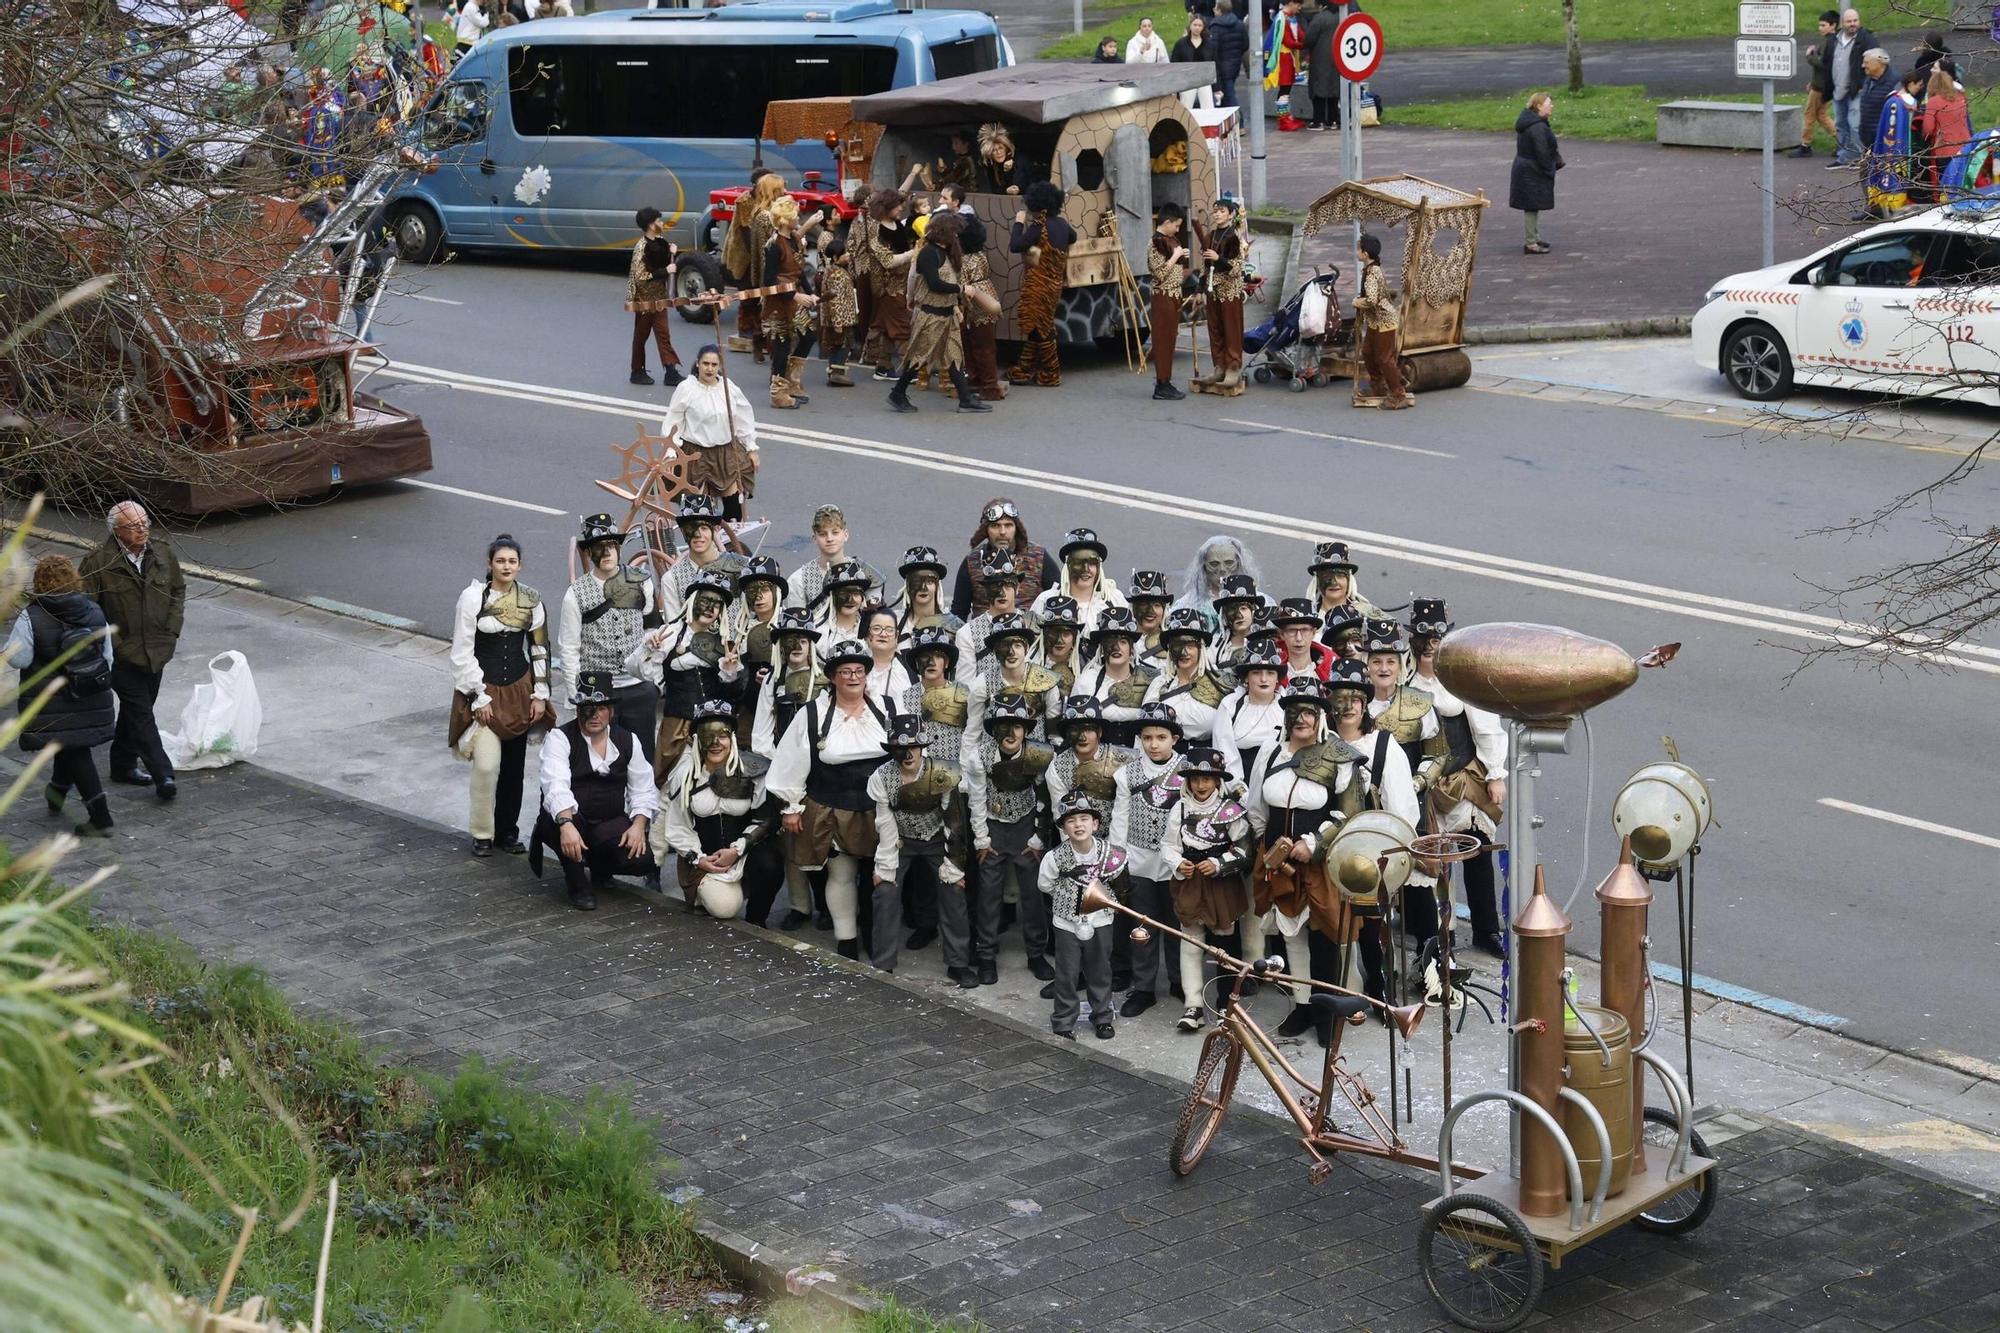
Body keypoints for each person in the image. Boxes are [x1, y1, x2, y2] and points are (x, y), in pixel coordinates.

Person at [1245, 676, 1364, 1046]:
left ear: (1320, 716)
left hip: (1319, 861)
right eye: (1294, 711)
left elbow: (1350, 813)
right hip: (1278, 859)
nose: (1301, 720)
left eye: (1308, 712)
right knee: (1291, 932)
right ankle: (1301, 1005)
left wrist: (1314, 844)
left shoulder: (1341, 756)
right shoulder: (1270, 752)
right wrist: (1266, 849)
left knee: (1325, 933)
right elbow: (1256, 804)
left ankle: (1326, 1010)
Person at [768, 638, 889, 959]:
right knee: (842, 874)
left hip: (880, 809)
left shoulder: (887, 708)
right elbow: (791, 760)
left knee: (880, 876)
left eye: (859, 671)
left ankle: (877, 937)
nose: (853, 677)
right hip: (832, 805)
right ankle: (847, 939)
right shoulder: (813, 714)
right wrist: (791, 806)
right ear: (833, 677)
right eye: (845, 671)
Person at [1404, 598, 1507, 958]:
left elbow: (1487, 729)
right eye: (1424, 643)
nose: (1430, 649)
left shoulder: (1461, 683)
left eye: (1436, 642)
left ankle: (1486, 929)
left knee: (1476, 852)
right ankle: (1436, 936)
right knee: (1431, 861)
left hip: (1463, 779)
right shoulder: (1407, 686)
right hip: (1422, 788)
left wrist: (1495, 775)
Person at [448, 534, 550, 857]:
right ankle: (482, 833)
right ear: (490, 563)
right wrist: (477, 696)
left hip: (520, 690)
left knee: (514, 770)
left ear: (520, 565)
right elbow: (461, 651)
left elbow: (539, 649)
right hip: (485, 691)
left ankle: (508, 832)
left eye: (512, 561)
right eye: (500, 560)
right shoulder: (472, 598)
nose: (506, 566)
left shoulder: (531, 600)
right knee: (487, 764)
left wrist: (540, 695)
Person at [79, 501, 185, 800]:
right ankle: (163, 774)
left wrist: (171, 631)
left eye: (145, 523)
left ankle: (123, 765)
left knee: (138, 709)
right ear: (116, 531)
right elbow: (87, 610)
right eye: (134, 526)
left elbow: (177, 591)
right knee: (141, 712)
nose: (142, 530)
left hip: (158, 650)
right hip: (120, 655)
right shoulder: (97, 562)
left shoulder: (163, 553)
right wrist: (114, 645)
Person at [530, 671, 659, 911]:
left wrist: (639, 825)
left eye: (601, 708)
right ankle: (577, 883)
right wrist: (566, 825)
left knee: (641, 859)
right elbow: (555, 784)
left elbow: (643, 789)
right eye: (588, 708)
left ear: (611, 710)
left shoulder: (628, 740)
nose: (595, 715)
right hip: (566, 819)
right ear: (578, 710)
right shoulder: (560, 738)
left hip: (605, 821)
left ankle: (601, 868)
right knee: (567, 829)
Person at [7, 554, 116, 837]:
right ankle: (56, 791)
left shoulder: (31, 615)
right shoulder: (93, 610)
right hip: (89, 694)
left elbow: (19, 659)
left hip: (51, 699)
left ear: (39, 581)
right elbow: (107, 657)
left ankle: (101, 818)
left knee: (75, 750)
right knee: (69, 744)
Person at [657, 699, 781, 923]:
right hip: (705, 860)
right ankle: (709, 892)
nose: (715, 743)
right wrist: (699, 859)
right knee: (725, 908)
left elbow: (765, 819)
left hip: (742, 853)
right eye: (707, 735)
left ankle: (756, 920)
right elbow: (677, 826)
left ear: (732, 737)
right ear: (695, 741)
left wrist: (737, 850)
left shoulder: (753, 771)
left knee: (770, 865)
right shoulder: (685, 776)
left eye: (722, 735)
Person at [1162, 746, 1255, 1033]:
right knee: (1191, 941)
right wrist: (1178, 863)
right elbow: (1167, 845)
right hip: (1190, 882)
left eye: (1207, 779)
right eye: (1195, 779)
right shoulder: (1179, 809)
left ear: (1218, 781)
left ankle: (1229, 1003)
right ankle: (1193, 1005)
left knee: (1225, 944)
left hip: (1221, 885)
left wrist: (1218, 863)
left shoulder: (1230, 811)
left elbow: (1245, 850)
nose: (1201, 785)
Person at [556, 514, 662, 762]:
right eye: (599, 548)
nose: (606, 553)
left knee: (642, 760)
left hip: (638, 688)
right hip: (597, 692)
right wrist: (577, 699)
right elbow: (569, 649)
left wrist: (653, 679)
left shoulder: (641, 581)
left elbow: (653, 628)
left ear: (619, 548)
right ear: (589, 552)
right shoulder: (576, 594)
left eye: (611, 546)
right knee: (600, 762)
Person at [869, 713, 968, 977]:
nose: (908, 753)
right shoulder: (881, 778)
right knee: (885, 891)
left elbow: (954, 821)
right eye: (901, 748)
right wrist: (886, 867)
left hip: (937, 837)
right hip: (901, 841)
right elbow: (885, 823)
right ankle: (883, 964)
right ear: (892, 750)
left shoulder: (943, 773)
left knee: (954, 890)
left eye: (913, 746)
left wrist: (954, 865)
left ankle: (958, 962)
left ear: (922, 747)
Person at [963, 693, 1052, 985]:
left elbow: (1045, 797)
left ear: (1026, 730)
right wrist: (982, 837)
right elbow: (976, 797)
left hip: (1027, 825)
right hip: (993, 825)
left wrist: (1039, 836)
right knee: (988, 894)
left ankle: (1036, 953)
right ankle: (986, 955)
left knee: (1033, 893)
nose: (1010, 733)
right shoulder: (980, 757)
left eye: (1016, 726)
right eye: (1003, 726)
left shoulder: (1038, 755)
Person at [1108, 701, 1188, 1015]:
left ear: (1174, 739)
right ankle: (1143, 988)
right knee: (1142, 926)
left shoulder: (1188, 770)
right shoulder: (1127, 774)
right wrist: (1117, 862)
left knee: (1177, 924)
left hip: (1175, 861)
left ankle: (1181, 981)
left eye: (1160, 737)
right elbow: (1120, 819)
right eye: (1147, 737)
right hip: (1139, 859)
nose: (1153, 744)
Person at [749, 608, 826, 928]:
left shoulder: (825, 680)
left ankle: (827, 905)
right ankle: (799, 906)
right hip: (783, 771)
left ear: (811, 644)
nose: (796, 646)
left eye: (803, 640)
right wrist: (783, 762)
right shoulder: (771, 684)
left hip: (821, 770)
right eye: (789, 640)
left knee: (822, 837)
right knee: (790, 840)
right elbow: (759, 734)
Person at [629, 569, 744, 780]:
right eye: (705, 600)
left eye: (717, 604)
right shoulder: (670, 633)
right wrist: (649, 649)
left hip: (714, 726)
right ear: (693, 600)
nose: (711, 608)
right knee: (671, 781)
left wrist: (729, 672)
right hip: (677, 725)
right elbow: (635, 669)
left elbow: (734, 694)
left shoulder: (724, 642)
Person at [1040, 787, 1126, 1040]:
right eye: (1071, 820)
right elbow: (1045, 884)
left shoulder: (1111, 854)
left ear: (1095, 823)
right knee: (1066, 973)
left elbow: (1121, 886)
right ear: (1064, 828)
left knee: (1100, 970)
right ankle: (1063, 1020)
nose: (1078, 825)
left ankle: (1102, 1017)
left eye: (1084, 819)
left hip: (1101, 922)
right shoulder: (1055, 857)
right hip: (1067, 924)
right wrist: (1067, 897)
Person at [889, 212, 992, 414]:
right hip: (930, 316)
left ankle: (965, 399)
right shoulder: (929, 253)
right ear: (945, 233)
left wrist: (954, 306)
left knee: (954, 358)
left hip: (946, 315)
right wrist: (961, 291)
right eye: (955, 233)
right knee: (919, 356)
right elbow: (934, 284)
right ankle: (898, 393)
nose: (957, 237)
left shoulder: (944, 253)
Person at [662, 347, 758, 520]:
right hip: (695, 456)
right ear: (697, 364)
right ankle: (704, 541)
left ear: (719, 366)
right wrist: (670, 453)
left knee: (735, 509)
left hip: (725, 454)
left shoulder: (729, 388)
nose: (709, 368)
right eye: (705, 363)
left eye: (714, 364)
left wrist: (751, 448)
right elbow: (673, 422)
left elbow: (744, 418)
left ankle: (725, 543)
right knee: (698, 513)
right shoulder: (686, 388)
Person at [1008, 182, 1075, 387]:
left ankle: (1051, 372)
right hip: (1054, 285)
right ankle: (1024, 368)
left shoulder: (1039, 227)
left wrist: (1019, 223)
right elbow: (1073, 237)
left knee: (1039, 328)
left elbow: (1015, 245)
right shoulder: (1063, 225)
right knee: (1037, 325)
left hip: (1037, 285)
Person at [951, 498, 1059, 619]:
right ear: (985, 530)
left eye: (1008, 525)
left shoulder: (1038, 556)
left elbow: (1059, 599)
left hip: (1029, 632)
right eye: (995, 526)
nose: (1002, 532)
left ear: (1016, 528)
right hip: (983, 634)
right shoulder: (972, 561)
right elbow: (958, 613)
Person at [760, 196, 819, 410]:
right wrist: (795, 295)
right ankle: (778, 394)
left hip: (793, 299)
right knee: (782, 346)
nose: (798, 219)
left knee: (808, 336)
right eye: (795, 216)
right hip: (778, 303)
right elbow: (769, 281)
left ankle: (792, 383)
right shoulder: (773, 245)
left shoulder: (793, 238)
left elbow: (798, 271)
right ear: (784, 220)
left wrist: (811, 293)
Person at [1143, 608, 1227, 745]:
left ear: (1201, 647)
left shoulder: (1221, 684)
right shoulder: (1159, 685)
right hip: (1165, 760)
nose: (1184, 652)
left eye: (1190, 645)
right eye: (1178, 646)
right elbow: (1144, 731)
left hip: (1206, 759)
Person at [725, 169, 784, 360]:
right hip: (744, 251)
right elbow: (746, 231)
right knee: (748, 293)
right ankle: (746, 327)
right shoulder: (745, 202)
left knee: (762, 299)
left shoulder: (771, 204)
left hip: (761, 253)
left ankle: (762, 337)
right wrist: (762, 257)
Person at [1211, 637, 1285, 785]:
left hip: (1279, 783)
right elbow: (1224, 753)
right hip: (1242, 782)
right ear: (1246, 678)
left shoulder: (1287, 706)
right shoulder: (1230, 705)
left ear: (1277, 678)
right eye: (1256, 672)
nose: (1264, 679)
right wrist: (1240, 792)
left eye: (1270, 672)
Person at [625, 206, 684, 388]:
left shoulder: (660, 242)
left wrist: (672, 253)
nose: (662, 223)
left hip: (659, 298)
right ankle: (637, 370)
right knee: (641, 336)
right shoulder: (641, 247)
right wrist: (665, 271)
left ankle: (671, 370)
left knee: (663, 334)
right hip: (644, 300)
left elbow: (664, 260)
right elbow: (640, 276)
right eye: (659, 221)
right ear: (651, 225)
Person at [786, 504, 884, 610]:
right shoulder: (798, 580)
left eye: (835, 532)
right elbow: (795, 621)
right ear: (814, 538)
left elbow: (876, 618)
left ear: (845, 535)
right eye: (823, 534)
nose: (829, 538)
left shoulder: (865, 573)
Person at [862, 190, 916, 381]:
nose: (902, 207)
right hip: (888, 287)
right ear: (887, 207)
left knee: (886, 327)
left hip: (901, 283)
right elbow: (887, 261)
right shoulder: (875, 231)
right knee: (900, 327)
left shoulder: (896, 225)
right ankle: (911, 369)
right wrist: (914, 253)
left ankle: (883, 366)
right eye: (898, 205)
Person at [1352, 233, 1411, 409]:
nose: (1356, 252)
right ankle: (1378, 386)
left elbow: (1371, 300)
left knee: (1385, 359)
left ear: (1365, 253)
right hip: (1375, 321)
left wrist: (1356, 302)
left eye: (1358, 249)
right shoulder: (1371, 269)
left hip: (1384, 322)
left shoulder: (1372, 274)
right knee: (1368, 352)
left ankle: (1398, 394)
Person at [1195, 196, 1247, 394]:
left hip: (1229, 290)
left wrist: (1219, 258)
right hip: (1212, 290)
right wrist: (1199, 291)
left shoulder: (1234, 237)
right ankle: (1219, 366)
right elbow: (1203, 267)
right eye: (1215, 211)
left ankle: (1233, 366)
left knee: (1231, 328)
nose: (1217, 214)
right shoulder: (1209, 237)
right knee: (1215, 329)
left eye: (1222, 211)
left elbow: (1237, 267)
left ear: (1230, 214)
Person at [953, 552, 1030, 681]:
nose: (1002, 593)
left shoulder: (1032, 624)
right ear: (986, 591)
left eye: (1008, 586)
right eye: (995, 587)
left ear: (1017, 588)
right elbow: (965, 686)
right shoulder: (968, 633)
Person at [956, 215, 1007, 404]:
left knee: (982, 348)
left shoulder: (965, 261)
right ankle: (978, 379)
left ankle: (989, 386)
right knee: (977, 345)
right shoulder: (979, 255)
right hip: (986, 298)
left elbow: (961, 286)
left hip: (977, 304)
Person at [1032, 527, 1128, 625]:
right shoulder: (1046, 600)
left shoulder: (1115, 599)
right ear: (1067, 566)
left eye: (1092, 563)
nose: (1086, 569)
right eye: (1078, 562)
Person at [1146, 204, 1192, 402]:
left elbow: (1175, 264)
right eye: (1176, 225)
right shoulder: (1155, 242)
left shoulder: (1170, 239)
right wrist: (1175, 256)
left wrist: (1182, 255)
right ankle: (1161, 384)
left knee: (1170, 340)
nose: (1178, 230)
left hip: (1173, 294)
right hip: (1163, 295)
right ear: (1167, 222)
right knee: (1163, 341)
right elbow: (1159, 273)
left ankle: (1166, 381)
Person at [1510, 93, 1562, 256]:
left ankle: (1534, 238)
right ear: (1539, 106)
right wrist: (1550, 169)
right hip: (1532, 170)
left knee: (1532, 204)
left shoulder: (1531, 122)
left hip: (1526, 167)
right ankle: (1531, 242)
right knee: (1531, 205)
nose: (1552, 106)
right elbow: (1543, 152)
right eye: (1549, 103)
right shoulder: (1538, 126)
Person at [1859, 53, 1910, 218]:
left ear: (1879, 63)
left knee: (1879, 173)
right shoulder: (1869, 80)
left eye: (1866, 62)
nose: (1863, 66)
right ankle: (1874, 207)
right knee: (1867, 173)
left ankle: (1881, 208)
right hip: (1869, 138)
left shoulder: (1892, 83)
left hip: (1882, 142)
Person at [1174, 535, 1262, 629]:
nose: (1222, 569)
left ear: (1238, 563)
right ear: (1203, 567)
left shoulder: (1259, 602)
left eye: (1229, 563)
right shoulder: (1187, 605)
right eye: (1214, 564)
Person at [1791, 11, 1841, 158]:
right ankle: (1842, 142)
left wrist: (1809, 55)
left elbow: (1823, 65)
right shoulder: (1834, 41)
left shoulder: (1829, 42)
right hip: (1824, 86)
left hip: (1820, 87)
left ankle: (1805, 145)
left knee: (1809, 115)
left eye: (1823, 25)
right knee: (1821, 115)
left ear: (1833, 25)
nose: (1820, 28)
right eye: (1819, 25)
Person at [816, 233, 861, 390]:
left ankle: (834, 372)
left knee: (837, 344)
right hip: (841, 318)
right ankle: (838, 373)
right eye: (845, 253)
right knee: (843, 344)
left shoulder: (834, 271)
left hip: (839, 318)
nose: (848, 255)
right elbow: (835, 300)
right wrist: (838, 322)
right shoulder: (837, 275)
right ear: (835, 258)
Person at [1830, 10, 1875, 169]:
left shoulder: (1866, 39)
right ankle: (1844, 158)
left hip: (1858, 90)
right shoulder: (1834, 40)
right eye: (1849, 21)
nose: (1853, 24)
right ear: (1843, 23)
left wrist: (1866, 84)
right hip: (1838, 90)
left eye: (1855, 20)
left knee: (1855, 124)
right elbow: (1828, 61)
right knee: (1841, 125)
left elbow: (1877, 62)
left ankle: (1859, 157)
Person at [1919, 66, 1971, 199]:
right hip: (1966, 146)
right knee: (1964, 182)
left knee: (1948, 186)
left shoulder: (1933, 101)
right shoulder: (1961, 98)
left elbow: (1928, 128)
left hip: (1945, 149)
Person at [894, 546, 961, 641]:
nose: (923, 588)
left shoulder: (955, 628)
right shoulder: (892, 624)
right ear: (907, 586)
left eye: (929, 582)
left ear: (937, 585)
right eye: (916, 582)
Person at [860, 604, 913, 709]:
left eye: (889, 630)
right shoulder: (856, 667)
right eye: (876, 629)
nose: (883, 634)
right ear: (867, 633)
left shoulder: (910, 667)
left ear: (896, 635)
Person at [1303, 0, 1344, 130]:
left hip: (1320, 57)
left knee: (1318, 88)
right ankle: (1333, 120)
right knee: (1334, 87)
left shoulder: (1319, 18)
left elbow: (1309, 39)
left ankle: (1318, 120)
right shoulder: (1342, 17)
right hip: (1338, 58)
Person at [1265, 0, 1307, 123]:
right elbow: (1288, 41)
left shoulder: (1290, 18)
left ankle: (1285, 116)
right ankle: (1283, 118)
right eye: (1298, 4)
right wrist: (1303, 44)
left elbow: (1300, 34)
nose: (1299, 7)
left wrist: (1305, 40)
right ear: (1291, 3)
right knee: (1285, 86)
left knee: (1286, 87)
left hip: (1290, 56)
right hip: (1284, 57)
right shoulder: (1282, 19)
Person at [1273, 598, 1333, 681]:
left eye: (1305, 630)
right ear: (1282, 634)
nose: (1298, 638)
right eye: (1292, 630)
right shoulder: (1271, 671)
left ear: (1314, 632)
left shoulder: (1331, 669)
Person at [1209, 0, 1249, 108]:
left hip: (1221, 65)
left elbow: (1213, 48)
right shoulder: (1239, 24)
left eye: (1215, 8)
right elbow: (1245, 44)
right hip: (1235, 64)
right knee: (1228, 94)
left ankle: (1239, 121)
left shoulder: (1215, 26)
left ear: (1219, 10)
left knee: (1229, 98)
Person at [1172, 16, 1213, 95]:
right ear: (1190, 26)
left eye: (1200, 25)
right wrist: (1175, 86)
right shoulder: (1180, 44)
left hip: (1205, 81)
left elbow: (1215, 65)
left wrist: (1217, 88)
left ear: (1203, 27)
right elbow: (1174, 65)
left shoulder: (1209, 45)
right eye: (1195, 25)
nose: (1197, 28)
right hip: (1186, 81)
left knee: (1207, 105)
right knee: (1187, 105)